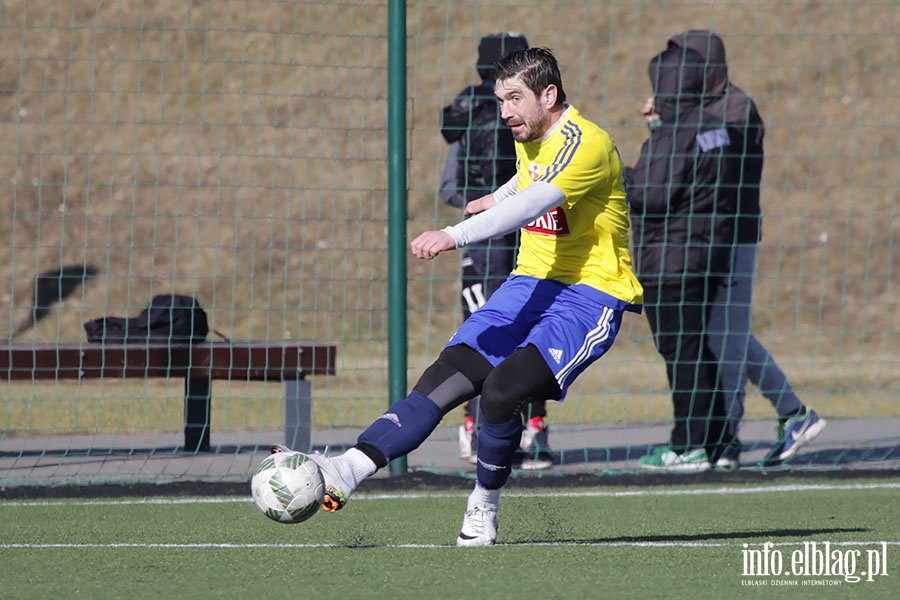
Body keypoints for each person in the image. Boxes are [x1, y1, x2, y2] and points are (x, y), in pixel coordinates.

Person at [274, 47, 643, 546]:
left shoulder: (588, 143)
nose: (506, 111)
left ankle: (483, 504)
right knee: (444, 378)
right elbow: (531, 180)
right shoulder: (532, 135)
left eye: (516, 98)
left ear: (549, 95)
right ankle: (348, 468)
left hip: (587, 298)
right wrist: (500, 194)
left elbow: (538, 199)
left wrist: (456, 233)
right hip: (528, 284)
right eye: (501, 100)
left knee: (502, 391)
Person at [658, 30, 827, 467]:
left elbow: (710, 158)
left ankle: (748, 431)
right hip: (706, 238)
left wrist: (668, 123)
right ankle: (781, 417)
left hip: (732, 236)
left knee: (726, 337)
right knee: (720, 333)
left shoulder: (735, 108)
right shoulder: (701, 112)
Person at [439, 32, 552, 470]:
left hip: (529, 239)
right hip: (489, 243)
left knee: (531, 330)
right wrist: (488, 210)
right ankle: (480, 426)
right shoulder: (472, 116)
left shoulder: (542, 127)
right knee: (488, 328)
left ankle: (531, 427)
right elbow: (451, 186)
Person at [629, 44, 740, 472]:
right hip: (706, 255)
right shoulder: (713, 127)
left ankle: (688, 445)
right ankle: (719, 443)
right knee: (698, 350)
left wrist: (618, 173)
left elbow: (651, 195)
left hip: (670, 261)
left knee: (681, 353)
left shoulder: (673, 135)